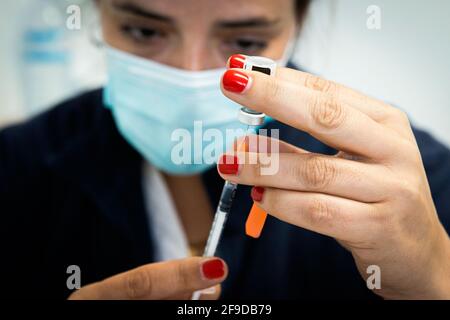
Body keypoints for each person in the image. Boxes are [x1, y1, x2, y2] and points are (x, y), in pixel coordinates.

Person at [1, 0, 449, 300]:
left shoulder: (416, 184)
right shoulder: (15, 167)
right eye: (143, 30)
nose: (190, 75)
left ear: (295, 27)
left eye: (245, 42)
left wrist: (433, 279)